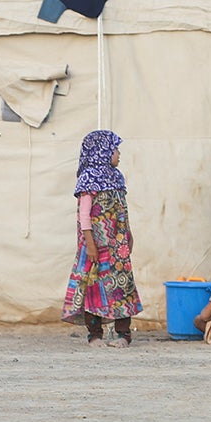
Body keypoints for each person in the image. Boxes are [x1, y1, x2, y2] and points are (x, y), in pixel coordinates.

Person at [61, 130, 142, 347]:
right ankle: (95, 334)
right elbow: (84, 215)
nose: (119, 155)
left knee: (122, 288)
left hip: (117, 246)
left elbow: (122, 209)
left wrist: (129, 233)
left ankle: (123, 334)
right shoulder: (88, 179)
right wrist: (90, 244)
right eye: (116, 150)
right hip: (96, 245)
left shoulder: (117, 177)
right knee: (93, 288)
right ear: (102, 151)